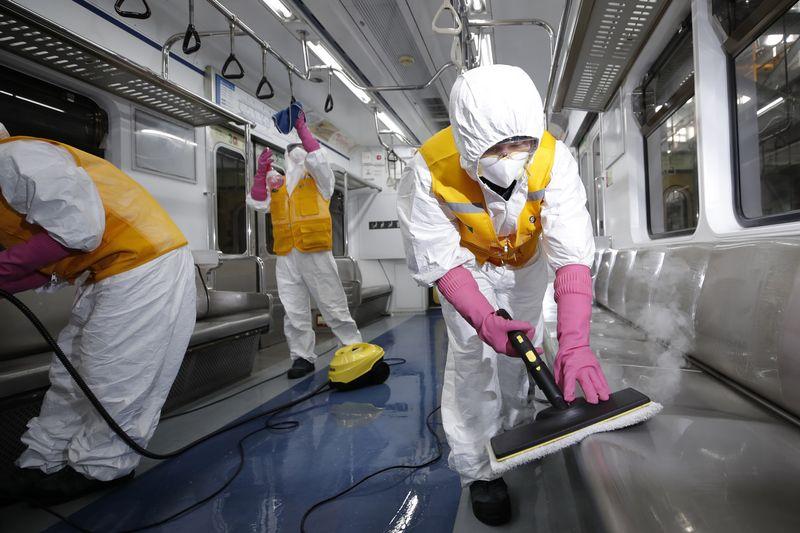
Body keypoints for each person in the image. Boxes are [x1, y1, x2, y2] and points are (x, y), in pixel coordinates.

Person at [397, 64, 611, 526]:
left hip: (526, 264)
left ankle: (516, 436)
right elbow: (438, 257)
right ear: (468, 140)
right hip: (468, 267)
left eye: (521, 143)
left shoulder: (553, 158)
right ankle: (479, 470)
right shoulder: (431, 167)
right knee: (473, 358)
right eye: (497, 147)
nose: (512, 157)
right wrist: (482, 318)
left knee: (522, 352)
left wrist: (575, 342)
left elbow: (571, 253)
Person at [0, 123, 196, 504]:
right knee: (72, 374)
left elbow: (80, 228)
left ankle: (102, 466)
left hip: (143, 263)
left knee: (113, 376)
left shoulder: (13, 158)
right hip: (106, 271)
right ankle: (42, 460)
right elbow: (50, 259)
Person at [249, 111, 362, 379]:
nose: (297, 152)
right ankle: (301, 357)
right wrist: (260, 174)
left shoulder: (320, 181)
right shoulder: (277, 184)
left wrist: (303, 129)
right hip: (286, 256)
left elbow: (319, 160)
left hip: (315, 252)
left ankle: (353, 348)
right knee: (293, 310)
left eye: (302, 148)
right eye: (293, 149)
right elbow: (257, 203)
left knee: (333, 304)